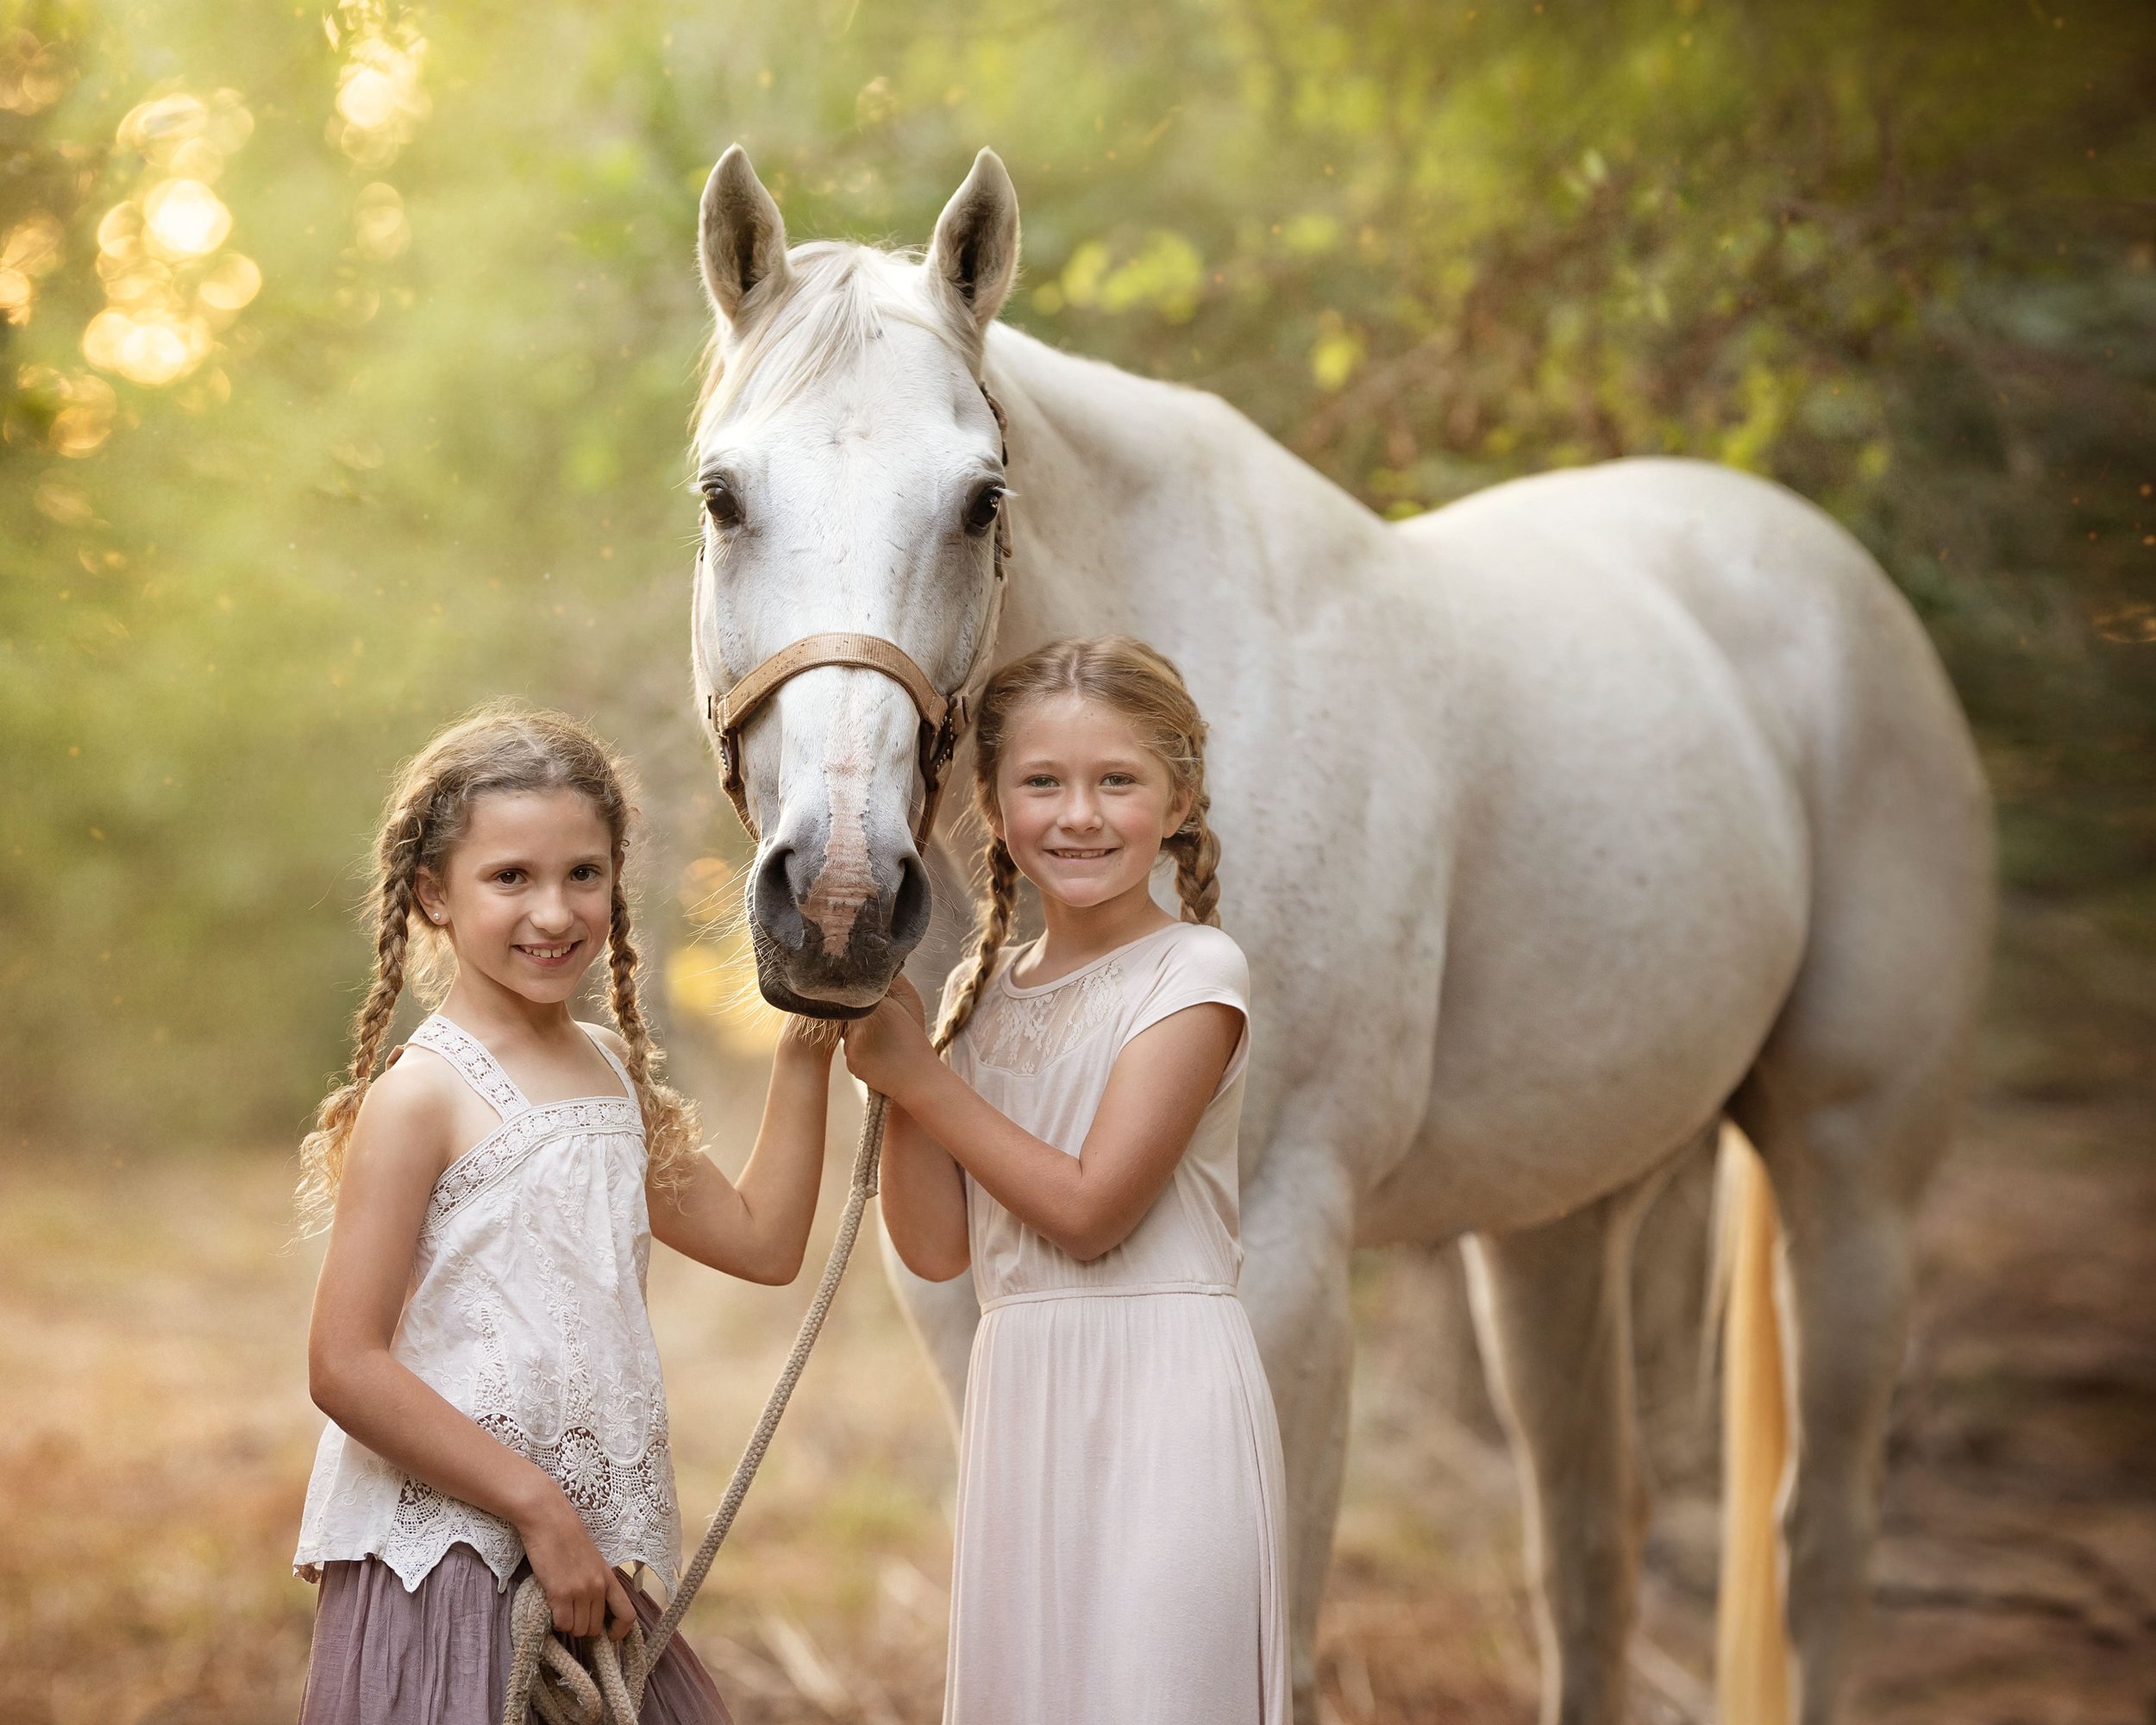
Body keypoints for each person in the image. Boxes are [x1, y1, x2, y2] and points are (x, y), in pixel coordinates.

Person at [291, 706, 834, 1724]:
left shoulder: (611, 1070)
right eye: (511, 877)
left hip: (572, 1555)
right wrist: (536, 1506)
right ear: (431, 895)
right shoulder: (424, 1092)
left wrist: (807, 1044)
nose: (554, 911)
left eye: (583, 873)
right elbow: (344, 1362)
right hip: (449, 1555)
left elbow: (762, 1240)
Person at [843, 637, 1290, 1725]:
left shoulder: (1195, 972)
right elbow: (939, 1247)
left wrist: (925, 1082)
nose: (1078, 814)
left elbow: (1093, 1211)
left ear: (1179, 799)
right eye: (1042, 781)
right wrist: (896, 1064)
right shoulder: (980, 989)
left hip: (1166, 1394)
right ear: (991, 806)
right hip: (1026, 1398)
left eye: (1117, 781)